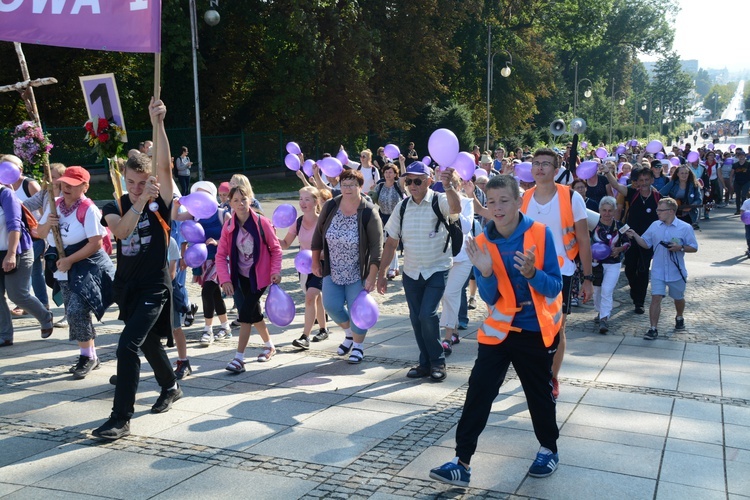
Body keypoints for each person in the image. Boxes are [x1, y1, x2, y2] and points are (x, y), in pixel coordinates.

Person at [429, 175, 563, 487]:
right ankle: (461, 461)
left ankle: (549, 448)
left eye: (505, 201)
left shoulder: (540, 234)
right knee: (479, 392)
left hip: (533, 330)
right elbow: (489, 297)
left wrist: (532, 274)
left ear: (519, 201)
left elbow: (555, 286)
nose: (498, 208)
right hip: (498, 331)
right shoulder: (483, 243)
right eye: (492, 202)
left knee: (538, 392)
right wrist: (486, 272)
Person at [93, 98, 179, 440]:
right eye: (131, 182)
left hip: (155, 286)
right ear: (124, 178)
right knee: (147, 343)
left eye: (143, 182)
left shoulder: (162, 203)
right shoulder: (114, 204)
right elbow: (121, 231)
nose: (136, 188)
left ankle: (120, 418)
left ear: (151, 179)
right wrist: (138, 201)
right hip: (126, 286)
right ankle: (171, 384)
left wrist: (158, 122)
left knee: (128, 344)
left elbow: (167, 168)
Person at [377, 162, 461, 381]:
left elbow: (456, 209)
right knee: (416, 318)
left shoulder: (438, 200)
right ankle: (425, 363)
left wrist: (449, 186)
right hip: (412, 271)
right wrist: (382, 274)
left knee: (427, 314)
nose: (411, 185)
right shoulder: (402, 207)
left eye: (417, 181)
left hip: (437, 268)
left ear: (429, 181)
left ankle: (438, 361)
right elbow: (391, 243)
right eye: (408, 180)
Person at [520, 148, 593, 399]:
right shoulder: (524, 199)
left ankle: (552, 377)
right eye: (536, 163)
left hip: (561, 272)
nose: (540, 168)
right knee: (529, 328)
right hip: (528, 273)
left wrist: (588, 278)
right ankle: (534, 374)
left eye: (546, 164)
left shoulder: (572, 197)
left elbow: (583, 239)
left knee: (556, 328)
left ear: (557, 169)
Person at [37, 166, 114, 378]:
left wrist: (70, 260)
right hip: (63, 266)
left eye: (72, 184)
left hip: (86, 266)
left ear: (85, 186)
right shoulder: (55, 204)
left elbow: (95, 243)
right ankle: (88, 355)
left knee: (76, 311)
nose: (66, 187)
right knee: (75, 314)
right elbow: (39, 232)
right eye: (63, 183)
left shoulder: (88, 209)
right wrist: (49, 223)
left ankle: (89, 357)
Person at [311, 169, 382, 364]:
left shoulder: (368, 211)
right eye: (344, 184)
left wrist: (372, 276)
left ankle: (358, 347)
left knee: (357, 310)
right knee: (331, 305)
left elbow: (377, 247)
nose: (347, 188)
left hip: (357, 271)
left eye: (352, 184)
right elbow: (318, 235)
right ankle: (349, 334)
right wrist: (315, 261)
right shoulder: (331, 206)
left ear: (360, 186)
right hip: (332, 268)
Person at [217, 185, 283, 371]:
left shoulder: (262, 223)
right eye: (235, 200)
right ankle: (269, 345)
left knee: (245, 314)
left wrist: (275, 271)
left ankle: (239, 359)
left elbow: (276, 249)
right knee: (254, 314)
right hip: (241, 277)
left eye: (243, 199)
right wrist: (225, 279)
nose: (240, 203)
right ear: (230, 204)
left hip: (260, 276)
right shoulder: (229, 227)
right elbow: (221, 255)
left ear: (250, 200)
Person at [625, 197, 698, 340]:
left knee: (678, 298)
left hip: (676, 272)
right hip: (658, 270)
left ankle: (679, 316)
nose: (657, 212)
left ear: (671, 211)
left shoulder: (685, 228)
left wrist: (680, 247)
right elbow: (646, 244)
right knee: (655, 298)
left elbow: (694, 247)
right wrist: (634, 236)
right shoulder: (655, 225)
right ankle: (653, 329)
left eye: (660, 210)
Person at [0, 173, 54, 347]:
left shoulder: (5, 194)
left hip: (18, 250)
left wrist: (11, 253)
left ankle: (45, 316)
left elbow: (14, 225)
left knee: (17, 294)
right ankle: (5, 335)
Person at [175, 181, 231, 345]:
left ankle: (208, 331)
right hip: (203, 260)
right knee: (213, 294)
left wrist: (218, 241)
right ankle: (225, 326)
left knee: (207, 292)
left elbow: (234, 237)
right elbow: (176, 217)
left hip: (220, 260)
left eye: (204, 194)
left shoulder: (222, 214)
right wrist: (177, 204)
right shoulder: (194, 215)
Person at [604, 164, 659, 315]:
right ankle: (635, 291)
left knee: (643, 269)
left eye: (646, 179)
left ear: (652, 180)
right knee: (629, 269)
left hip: (648, 240)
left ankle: (639, 302)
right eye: (641, 180)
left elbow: (665, 214)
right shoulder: (632, 193)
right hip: (630, 237)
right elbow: (615, 185)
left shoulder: (657, 197)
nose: (643, 183)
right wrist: (608, 172)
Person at [280, 186, 329, 349]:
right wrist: (270, 234)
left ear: (316, 202)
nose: (303, 203)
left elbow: (332, 247)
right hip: (303, 266)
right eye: (301, 199)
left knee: (310, 296)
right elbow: (285, 244)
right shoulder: (298, 222)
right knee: (316, 298)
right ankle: (323, 329)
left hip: (321, 264)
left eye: (307, 199)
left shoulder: (323, 221)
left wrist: (319, 256)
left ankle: (305, 337)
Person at [23, 162, 68, 328]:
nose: (49, 180)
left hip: (66, 243)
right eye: (47, 176)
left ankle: (69, 314)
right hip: (50, 243)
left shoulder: (66, 192)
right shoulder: (44, 193)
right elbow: (26, 205)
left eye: (54, 177)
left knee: (64, 280)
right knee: (52, 279)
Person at [3, 155, 46, 315]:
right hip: (18, 236)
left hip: (33, 235)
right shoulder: (5, 186)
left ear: (19, 168)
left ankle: (25, 303)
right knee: (35, 271)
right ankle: (42, 303)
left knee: (24, 270)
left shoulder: (29, 184)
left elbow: (44, 207)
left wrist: (43, 231)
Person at [439, 171, 474, 355]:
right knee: (447, 295)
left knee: (450, 293)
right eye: (446, 183)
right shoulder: (438, 201)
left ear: (458, 185)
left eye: (452, 183)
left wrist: (455, 207)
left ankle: (446, 337)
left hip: (463, 256)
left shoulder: (467, 202)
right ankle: (453, 332)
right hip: (444, 255)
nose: (449, 186)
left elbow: (467, 226)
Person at [590, 196, 630, 334]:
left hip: (613, 263)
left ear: (614, 211)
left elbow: (628, 242)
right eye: (604, 210)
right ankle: (600, 311)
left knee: (607, 290)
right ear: (599, 210)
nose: (607, 213)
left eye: (610, 210)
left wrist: (620, 249)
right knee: (597, 292)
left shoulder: (620, 226)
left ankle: (604, 318)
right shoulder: (592, 225)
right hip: (596, 264)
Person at [370, 163, 405, 279]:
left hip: (396, 217)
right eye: (386, 172)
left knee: (392, 241)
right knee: (386, 243)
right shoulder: (379, 186)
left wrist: (402, 162)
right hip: (383, 216)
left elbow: (404, 176)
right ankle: (392, 267)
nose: (388, 174)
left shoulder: (398, 185)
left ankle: (393, 268)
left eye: (390, 172)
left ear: (395, 174)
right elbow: (373, 199)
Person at [730, 149, 750, 215]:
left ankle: (743, 210)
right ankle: (738, 210)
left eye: (742, 155)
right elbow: (732, 174)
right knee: (738, 196)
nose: (741, 157)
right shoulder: (735, 165)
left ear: (745, 156)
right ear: (738, 157)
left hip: (746, 182)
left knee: (744, 195)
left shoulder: (748, 164)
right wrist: (731, 183)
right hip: (737, 182)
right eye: (740, 155)